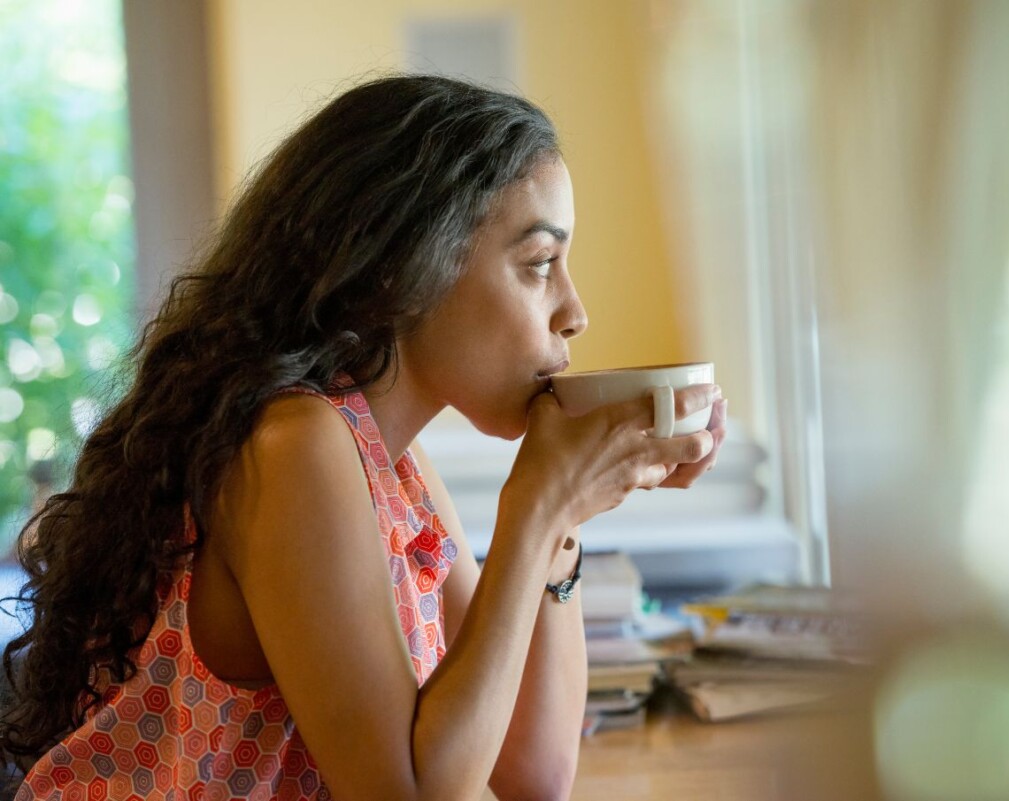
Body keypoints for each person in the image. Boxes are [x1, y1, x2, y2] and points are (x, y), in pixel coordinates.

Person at [0, 74, 727, 800]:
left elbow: (533, 771)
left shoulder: (397, 465)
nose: (575, 312)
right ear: (405, 270)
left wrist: (564, 514)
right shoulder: (293, 444)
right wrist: (534, 509)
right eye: (538, 264)